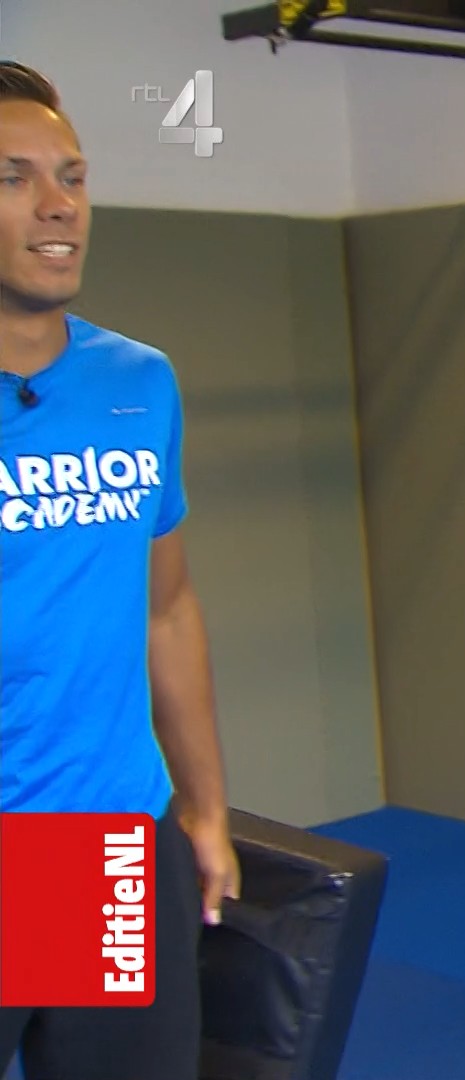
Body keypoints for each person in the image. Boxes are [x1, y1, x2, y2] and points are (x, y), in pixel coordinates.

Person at [0, 59, 239, 1080]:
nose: (58, 206)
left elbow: (166, 608)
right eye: (12, 177)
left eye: (73, 176)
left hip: (96, 848)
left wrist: (206, 809)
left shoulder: (138, 384)